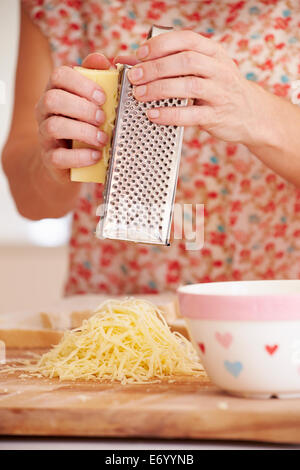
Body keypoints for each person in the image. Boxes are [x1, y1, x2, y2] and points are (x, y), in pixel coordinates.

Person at [2, 0, 300, 295]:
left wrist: (257, 113)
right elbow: (29, 201)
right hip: (120, 304)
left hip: (276, 307)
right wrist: (56, 162)